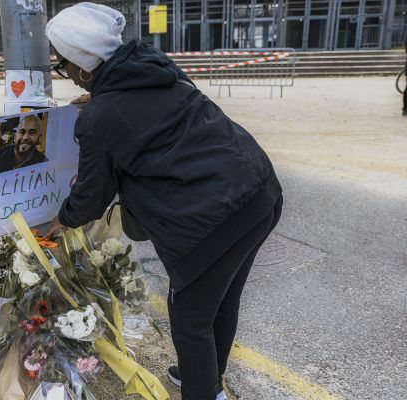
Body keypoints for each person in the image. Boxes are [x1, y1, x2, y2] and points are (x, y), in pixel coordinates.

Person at [45, 3, 283, 400]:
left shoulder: (100, 118)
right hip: (260, 191)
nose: (64, 74)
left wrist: (61, 220)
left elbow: (90, 198)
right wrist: (102, 100)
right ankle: (203, 377)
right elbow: (143, 105)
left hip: (216, 216)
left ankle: (203, 391)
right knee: (221, 301)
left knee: (190, 318)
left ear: (86, 67)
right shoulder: (148, 65)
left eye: (64, 65)